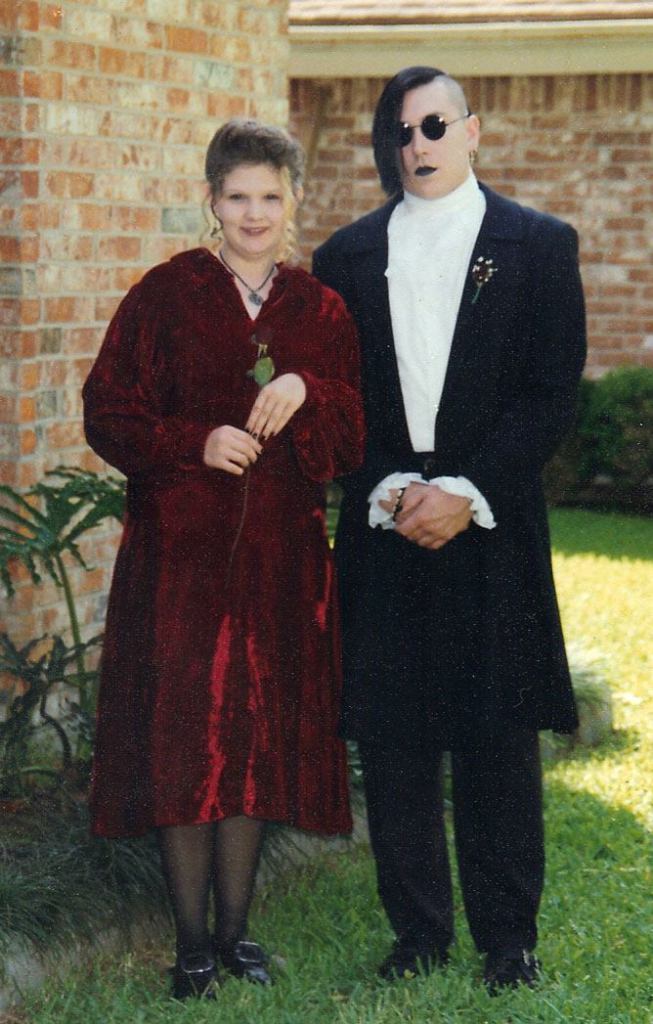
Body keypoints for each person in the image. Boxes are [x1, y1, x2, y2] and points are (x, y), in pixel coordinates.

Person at [312, 66, 586, 993]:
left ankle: (508, 940)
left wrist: (468, 489)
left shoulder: (539, 245)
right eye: (399, 132)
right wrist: (387, 487)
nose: (416, 145)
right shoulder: (344, 258)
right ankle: (417, 934)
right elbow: (336, 397)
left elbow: (552, 393)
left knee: (497, 737)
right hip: (389, 519)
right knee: (393, 740)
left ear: (473, 130)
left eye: (433, 126)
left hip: (491, 521)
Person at [83, 119, 364, 1000]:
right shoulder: (164, 297)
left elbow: (352, 439)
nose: (253, 213)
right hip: (180, 563)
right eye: (236, 196)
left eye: (269, 197)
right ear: (211, 201)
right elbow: (107, 415)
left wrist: (307, 387)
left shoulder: (319, 311)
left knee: (249, 743)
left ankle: (238, 934)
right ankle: (192, 942)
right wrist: (192, 441)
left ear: (293, 204)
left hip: (280, 566)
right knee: (183, 744)